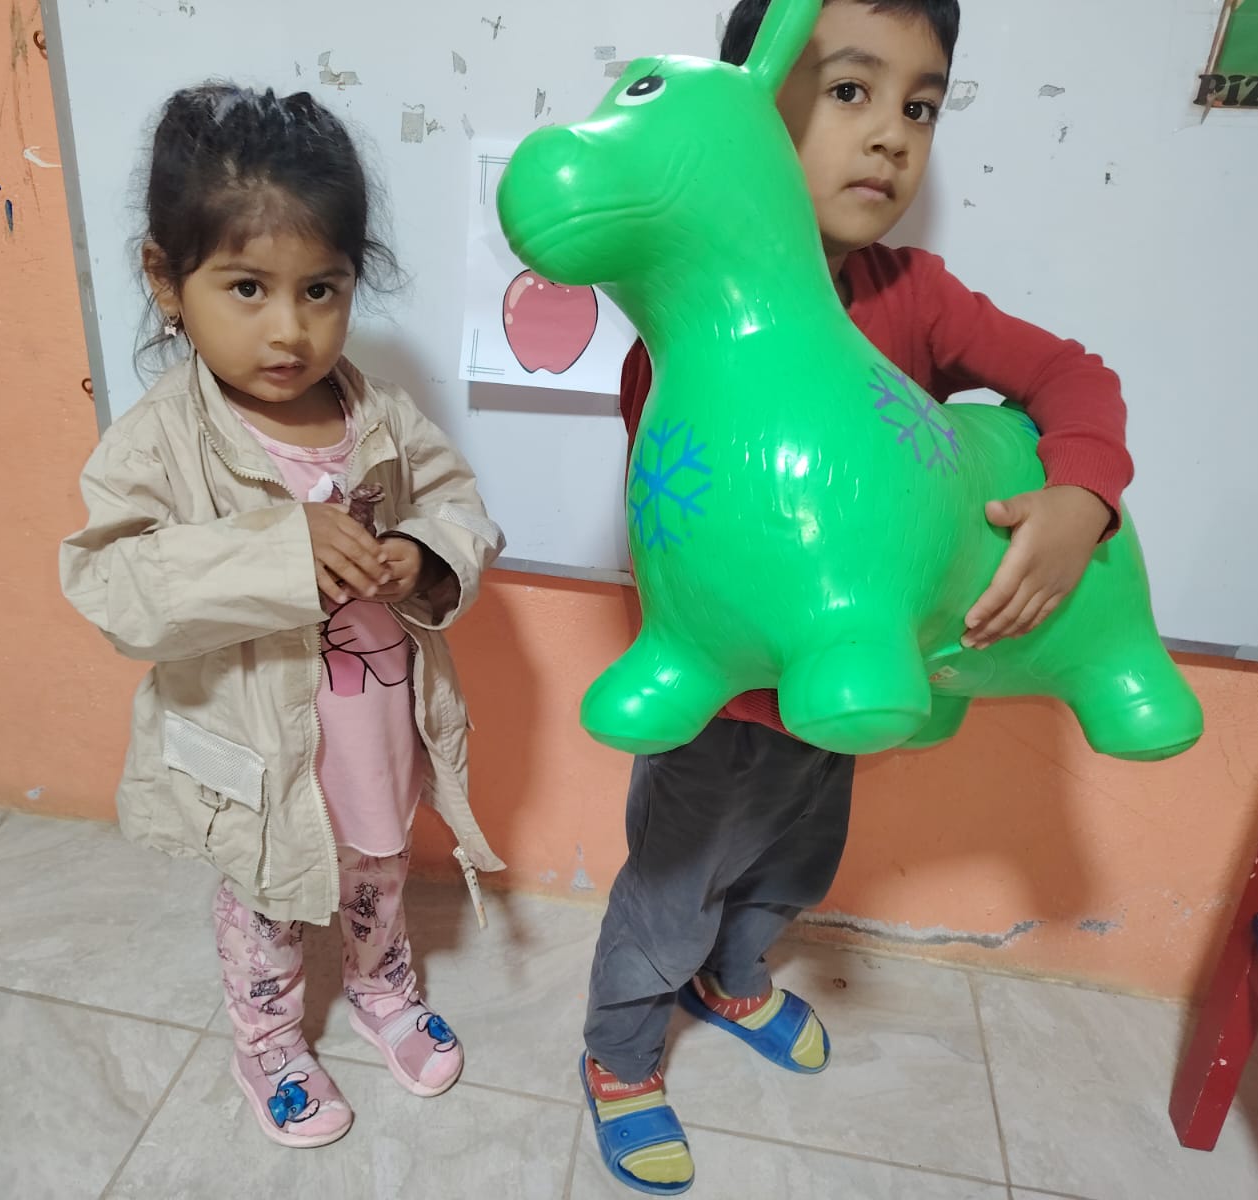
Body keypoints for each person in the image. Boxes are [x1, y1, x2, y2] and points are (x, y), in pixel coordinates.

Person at [579, 2, 1134, 1192]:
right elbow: (692, 533)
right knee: (670, 890)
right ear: (751, 107)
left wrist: (1082, 492)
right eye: (848, 91)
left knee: (794, 865)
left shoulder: (914, 297)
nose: (889, 134)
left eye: (918, 107)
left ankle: (735, 981)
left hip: (845, 698)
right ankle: (618, 1057)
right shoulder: (682, 326)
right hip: (719, 708)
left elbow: (1068, 373)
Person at [60, 83, 504, 1149]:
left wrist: (424, 554)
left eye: (320, 290)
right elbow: (113, 585)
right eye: (248, 288)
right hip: (256, 755)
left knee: (379, 868)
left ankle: (382, 989)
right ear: (165, 280)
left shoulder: (378, 413)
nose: (289, 329)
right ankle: (266, 1041)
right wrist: (276, 550)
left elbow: (461, 508)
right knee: (267, 900)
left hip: (376, 725)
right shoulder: (159, 440)